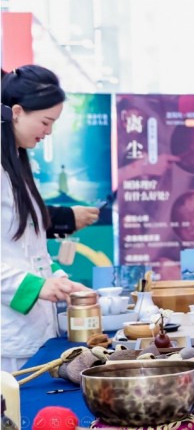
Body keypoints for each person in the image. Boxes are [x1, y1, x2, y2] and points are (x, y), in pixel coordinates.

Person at [1, 66, 89, 371]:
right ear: (17, 112)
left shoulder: (19, 166)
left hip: (33, 330)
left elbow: (29, 251)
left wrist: (60, 282)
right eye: (45, 122)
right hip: (8, 334)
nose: (48, 131)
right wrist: (37, 287)